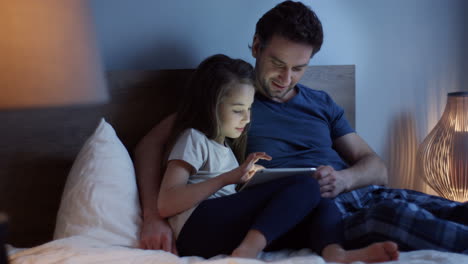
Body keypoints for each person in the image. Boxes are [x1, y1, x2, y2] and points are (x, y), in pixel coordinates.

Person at [134, 0, 468, 256]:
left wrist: (343, 179)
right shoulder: (230, 102)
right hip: (315, 212)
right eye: (277, 64)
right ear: (255, 47)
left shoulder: (321, 102)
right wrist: (152, 217)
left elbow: (377, 168)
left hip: (363, 194)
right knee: (400, 217)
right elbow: (150, 144)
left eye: (299, 68)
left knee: (444, 208)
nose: (286, 78)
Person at [155, 53, 398, 262]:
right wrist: (228, 178)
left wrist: (250, 180)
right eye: (238, 110)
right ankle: (248, 251)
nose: (247, 118)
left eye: (250, 108)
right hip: (195, 229)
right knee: (306, 184)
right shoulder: (193, 139)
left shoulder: (225, 148)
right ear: (209, 105)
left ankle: (335, 254)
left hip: (219, 229)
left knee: (318, 198)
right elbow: (166, 203)